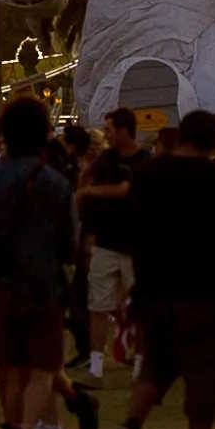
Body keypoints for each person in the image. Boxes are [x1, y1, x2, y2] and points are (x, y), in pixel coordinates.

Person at [113, 109, 215, 429]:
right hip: (202, 289)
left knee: (156, 366)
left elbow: (130, 229)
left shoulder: (147, 174)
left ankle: (131, 424)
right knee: (205, 377)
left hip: (154, 288)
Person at [0, 96, 97, 429]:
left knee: (10, 369)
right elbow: (69, 241)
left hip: (1, 284)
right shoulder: (54, 182)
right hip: (44, 282)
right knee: (44, 367)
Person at [74, 108, 150, 385]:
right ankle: (96, 367)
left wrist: (87, 191)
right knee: (98, 305)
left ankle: (140, 365)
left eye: (109, 129)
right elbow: (88, 175)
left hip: (135, 246)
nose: (105, 135)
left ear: (124, 130)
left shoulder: (144, 160)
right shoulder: (106, 158)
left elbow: (124, 189)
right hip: (106, 243)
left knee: (141, 309)